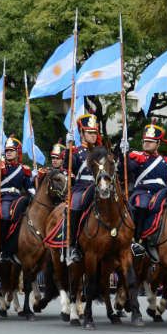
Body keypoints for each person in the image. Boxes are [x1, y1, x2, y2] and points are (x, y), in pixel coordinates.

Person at [123, 123, 167, 256]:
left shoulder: (165, 162)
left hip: (163, 193)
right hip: (143, 191)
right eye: (145, 141)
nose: (146, 144)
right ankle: (137, 240)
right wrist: (123, 154)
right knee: (142, 204)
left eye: (150, 142)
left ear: (158, 143)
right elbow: (127, 169)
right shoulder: (137, 157)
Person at [0, 136, 35, 263]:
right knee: (4, 216)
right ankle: (1, 248)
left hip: (18, 199)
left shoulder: (23, 169)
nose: (8, 152)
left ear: (17, 152)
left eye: (11, 150)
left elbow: (28, 186)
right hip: (4, 198)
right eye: (7, 150)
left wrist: (33, 189)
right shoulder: (0, 165)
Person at [66, 113, 101, 264]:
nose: (93, 136)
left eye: (95, 132)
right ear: (81, 133)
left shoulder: (100, 152)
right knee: (74, 206)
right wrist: (68, 149)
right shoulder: (76, 151)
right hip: (81, 188)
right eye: (89, 132)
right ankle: (73, 245)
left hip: (100, 187)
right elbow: (69, 166)